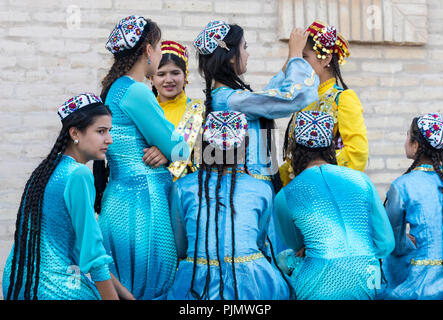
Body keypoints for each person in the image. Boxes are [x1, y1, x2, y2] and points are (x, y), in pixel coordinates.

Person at [193, 20, 319, 255]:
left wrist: (289, 63)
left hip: (244, 192)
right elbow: (294, 97)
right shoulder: (231, 100)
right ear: (231, 56)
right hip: (250, 194)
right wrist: (295, 56)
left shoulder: (226, 97)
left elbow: (268, 96)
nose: (248, 54)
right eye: (245, 47)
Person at [94, 15, 190, 300]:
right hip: (145, 202)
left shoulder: (115, 89)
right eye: (159, 46)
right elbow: (177, 148)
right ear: (148, 49)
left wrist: (165, 149)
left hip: (119, 199)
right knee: (153, 286)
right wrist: (171, 148)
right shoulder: (136, 91)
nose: (161, 54)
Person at [2, 93, 131, 300]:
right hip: (56, 287)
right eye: (101, 131)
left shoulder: (46, 170)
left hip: (18, 282)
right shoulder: (78, 174)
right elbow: (93, 253)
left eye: (109, 131)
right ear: (74, 133)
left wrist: (125, 294)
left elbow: (81, 248)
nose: (110, 139)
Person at [167, 111, 292, 300]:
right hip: (252, 282)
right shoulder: (261, 189)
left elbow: (181, 247)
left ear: (205, 145)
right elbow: (259, 242)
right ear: (244, 146)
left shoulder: (182, 187)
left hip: (196, 282)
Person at [274, 110, 394, 300]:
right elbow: (386, 244)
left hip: (317, 284)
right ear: (331, 145)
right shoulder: (361, 180)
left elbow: (296, 245)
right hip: (368, 278)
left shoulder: (285, 194)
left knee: (281, 259)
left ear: (294, 148)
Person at [280, 20, 369, 186]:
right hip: (299, 188)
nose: (299, 63)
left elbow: (357, 153)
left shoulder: (343, 98)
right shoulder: (303, 99)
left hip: (330, 187)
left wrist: (315, 173)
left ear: (326, 59)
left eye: (304, 57)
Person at [380, 113, 443, 299]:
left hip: (423, 282)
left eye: (407, 136)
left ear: (416, 145)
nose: (405, 141)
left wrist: (406, 241)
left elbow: (390, 240)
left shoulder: (403, 185)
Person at [151, 40, 205, 179]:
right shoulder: (147, 111)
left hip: (189, 191)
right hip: (153, 190)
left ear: (185, 75)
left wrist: (168, 154)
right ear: (151, 78)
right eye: (161, 74)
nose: (168, 79)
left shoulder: (199, 111)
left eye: (175, 73)